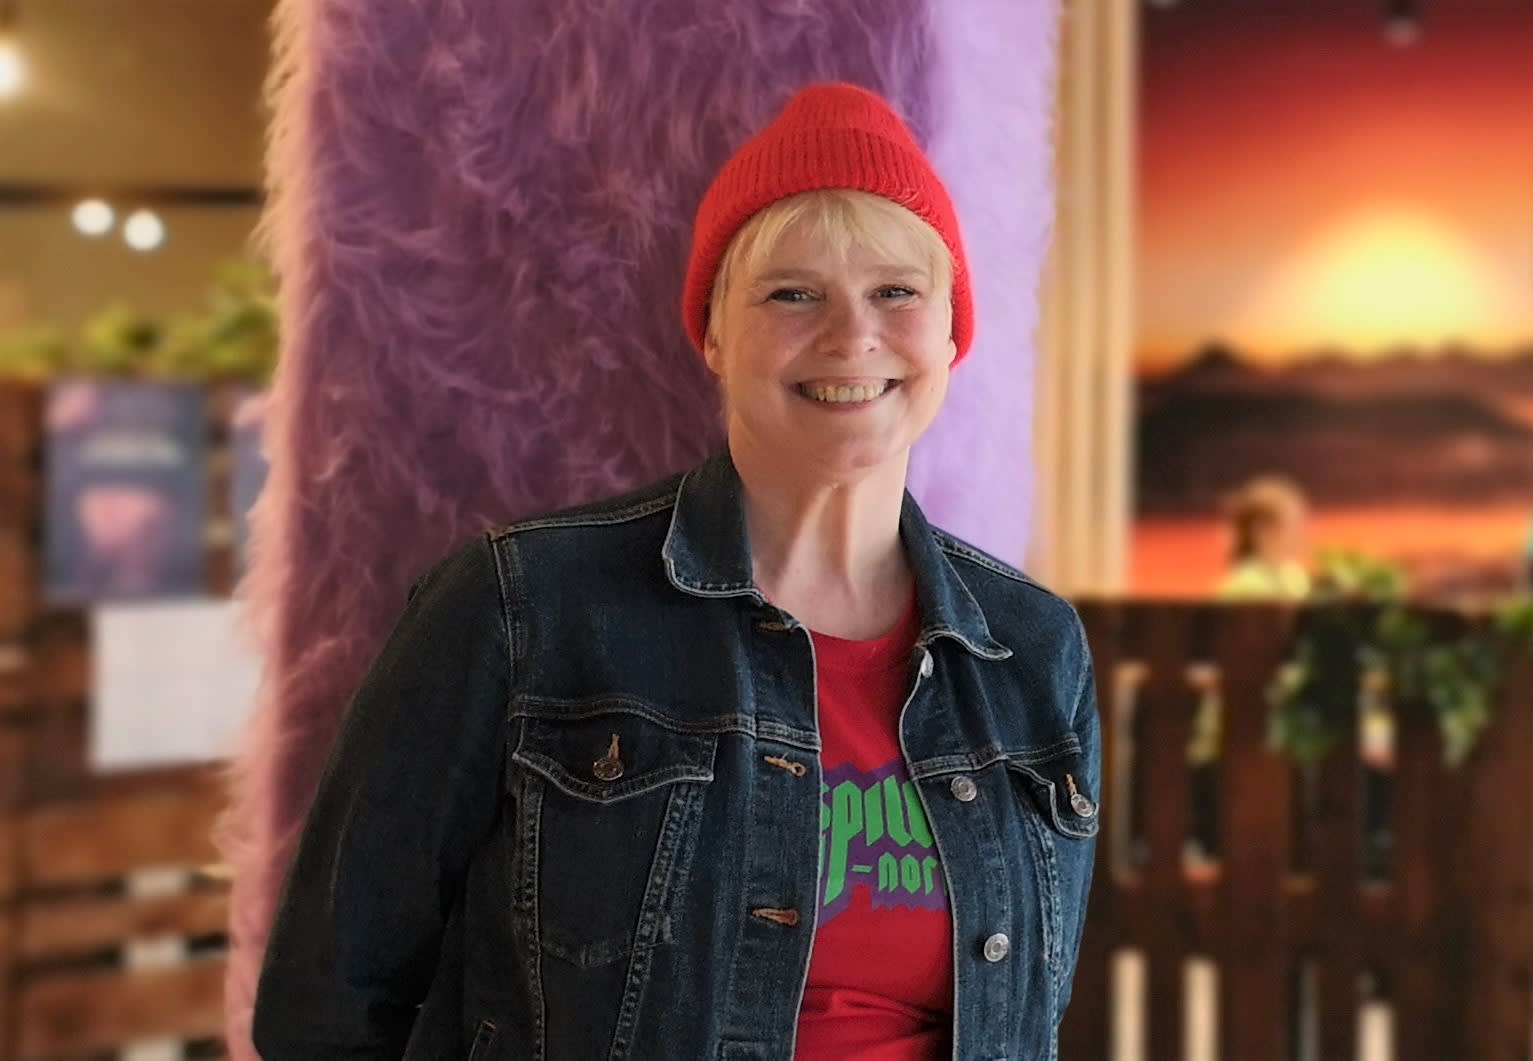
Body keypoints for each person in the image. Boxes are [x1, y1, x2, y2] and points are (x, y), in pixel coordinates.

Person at [252, 82, 1100, 1061]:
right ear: (713, 334)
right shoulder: (522, 607)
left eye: (897, 292)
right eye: (792, 292)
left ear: (952, 333)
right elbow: (325, 1008)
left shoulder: (1031, 648)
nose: (851, 335)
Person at [1215, 475, 1312, 600]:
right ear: (1262, 532)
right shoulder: (1247, 584)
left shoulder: (1293, 574)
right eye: (1290, 526)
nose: (1299, 535)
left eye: (1299, 524)